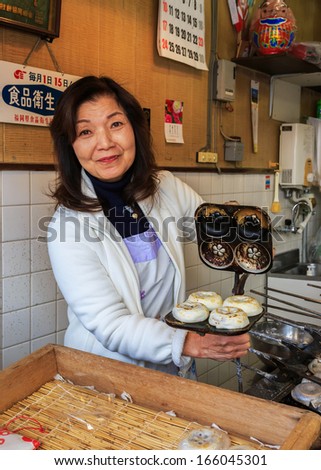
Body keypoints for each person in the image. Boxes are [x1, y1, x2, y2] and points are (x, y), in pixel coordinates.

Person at [47, 75, 250, 379]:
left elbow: (213, 231)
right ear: (71, 145)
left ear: (134, 128)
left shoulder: (164, 187)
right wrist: (188, 342)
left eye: (115, 124)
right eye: (86, 131)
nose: (105, 143)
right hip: (105, 368)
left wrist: (245, 233)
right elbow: (109, 323)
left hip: (169, 362)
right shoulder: (67, 227)